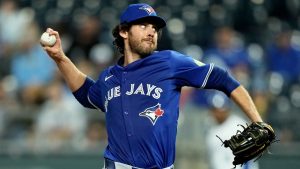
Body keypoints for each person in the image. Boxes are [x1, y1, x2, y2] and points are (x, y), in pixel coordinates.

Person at [41, 3, 268, 169]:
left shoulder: (170, 62)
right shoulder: (109, 77)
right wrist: (60, 57)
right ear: (123, 31)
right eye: (143, 25)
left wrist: (258, 122)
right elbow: (86, 94)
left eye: (154, 27)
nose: (151, 31)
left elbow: (225, 80)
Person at [205, 91, 259, 169]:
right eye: (214, 109)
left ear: (227, 109)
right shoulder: (210, 127)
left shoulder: (238, 126)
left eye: (220, 109)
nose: (216, 113)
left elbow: (249, 156)